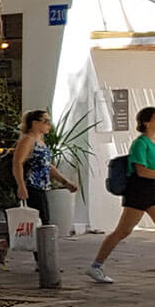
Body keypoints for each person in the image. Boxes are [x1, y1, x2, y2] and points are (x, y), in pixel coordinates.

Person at [88, 106, 155, 284]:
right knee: (122, 231)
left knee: (123, 231)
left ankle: (96, 266)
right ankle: (96, 265)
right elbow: (142, 171)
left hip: (151, 190)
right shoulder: (140, 143)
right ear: (147, 122)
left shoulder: (152, 143)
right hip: (139, 192)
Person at [12, 109, 77, 224]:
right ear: (34, 123)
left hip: (41, 186)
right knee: (38, 221)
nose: (48, 125)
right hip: (31, 186)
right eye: (45, 121)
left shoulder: (40, 142)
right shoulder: (28, 140)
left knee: (41, 221)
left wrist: (65, 182)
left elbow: (47, 166)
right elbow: (18, 162)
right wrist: (21, 186)